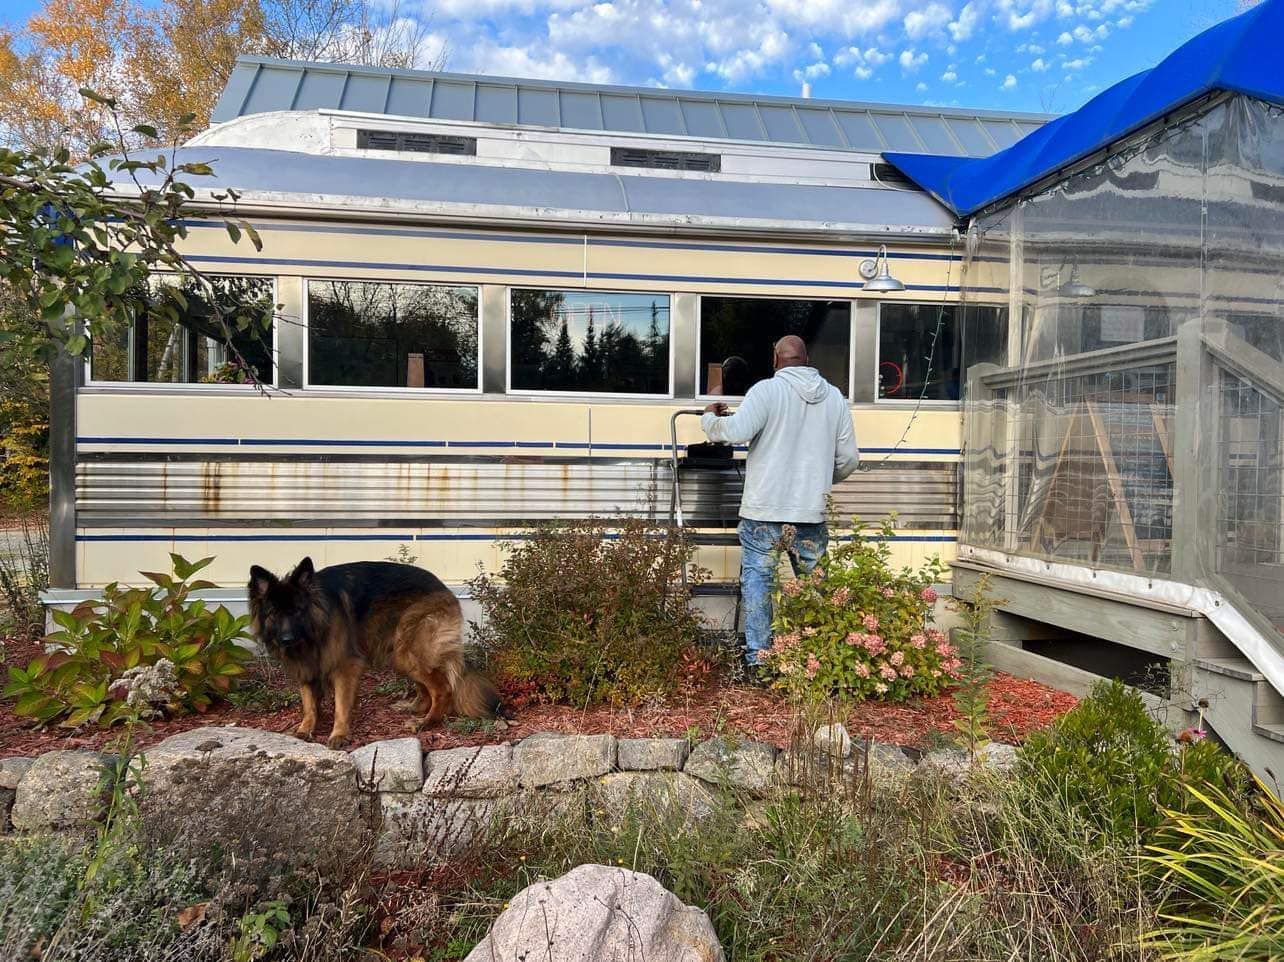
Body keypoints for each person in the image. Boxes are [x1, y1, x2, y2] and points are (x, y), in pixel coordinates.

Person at [701, 335, 859, 669]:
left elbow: (732, 431)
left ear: (776, 359)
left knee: (759, 582)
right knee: (815, 586)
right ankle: (820, 656)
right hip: (811, 512)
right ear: (806, 359)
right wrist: (818, 481)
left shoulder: (766, 391)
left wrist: (709, 417)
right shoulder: (834, 398)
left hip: (764, 510)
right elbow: (848, 460)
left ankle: (760, 661)